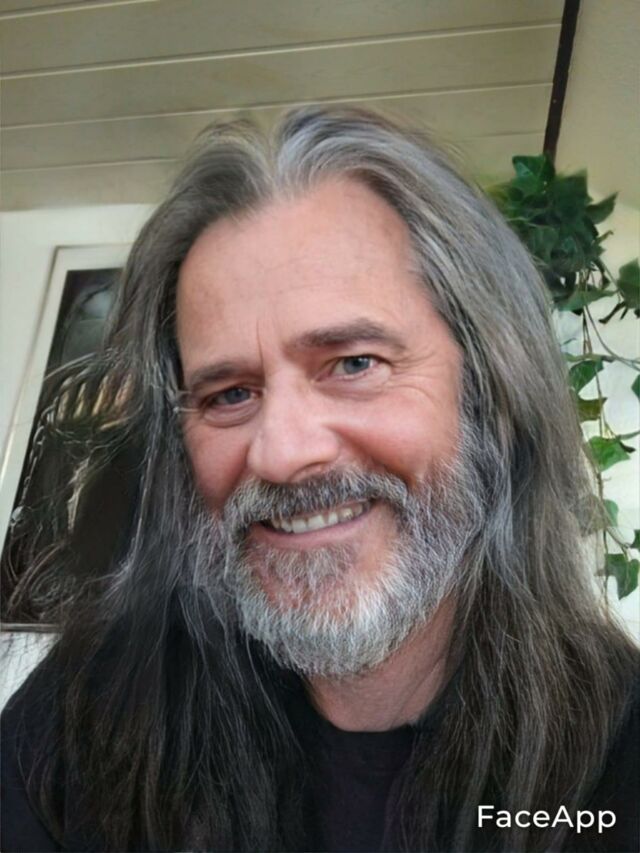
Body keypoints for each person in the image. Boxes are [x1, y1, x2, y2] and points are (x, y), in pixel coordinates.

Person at [1, 107, 638, 853]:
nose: (281, 453)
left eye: (355, 363)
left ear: (492, 392)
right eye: (228, 394)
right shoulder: (83, 723)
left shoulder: (618, 764)